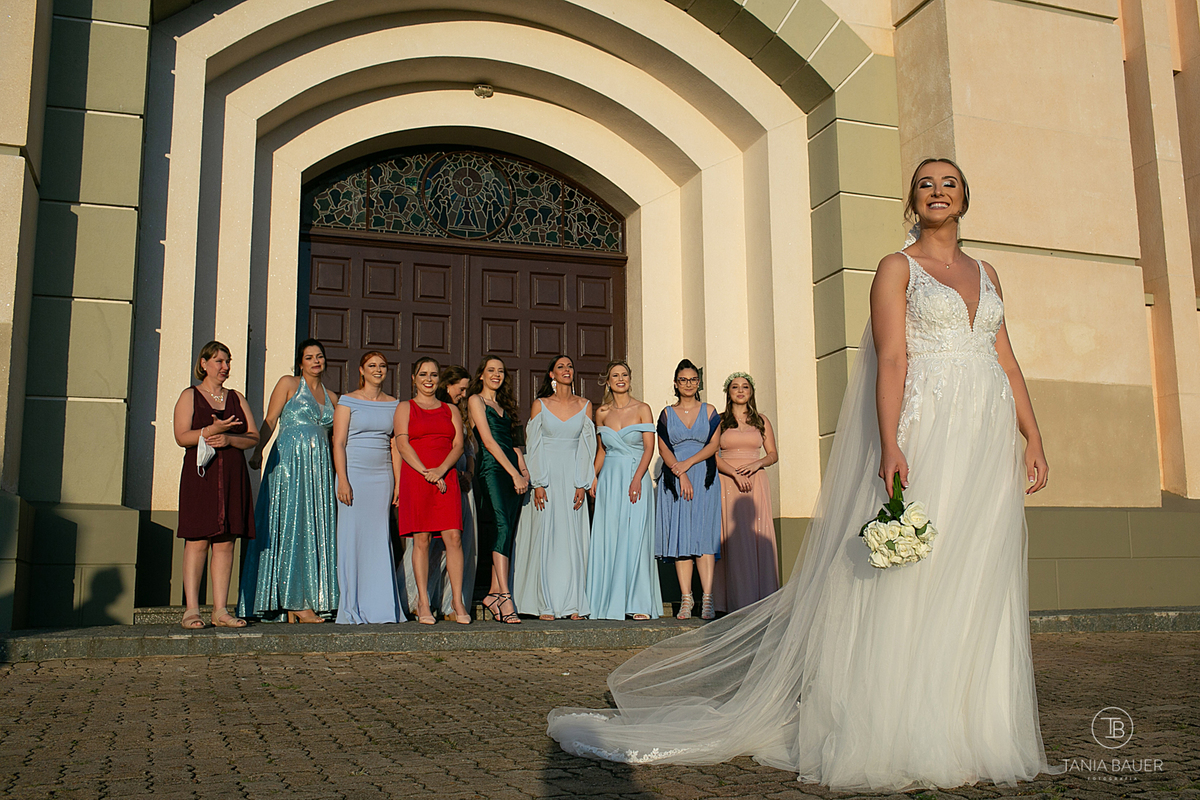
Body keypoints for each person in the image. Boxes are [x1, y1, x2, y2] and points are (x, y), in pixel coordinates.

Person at [547, 158, 1058, 792]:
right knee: (916, 571)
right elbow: (893, 357)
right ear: (912, 200)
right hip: (930, 430)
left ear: (965, 198)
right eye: (925, 183)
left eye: (949, 182)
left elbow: (1005, 361)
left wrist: (1031, 435)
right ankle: (902, 724)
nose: (937, 191)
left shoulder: (989, 273)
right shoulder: (898, 268)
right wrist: (893, 442)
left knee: (977, 569)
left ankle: (975, 724)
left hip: (985, 439)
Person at [238, 339, 339, 623]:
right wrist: (258, 451)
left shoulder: (333, 397)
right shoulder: (288, 384)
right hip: (288, 464)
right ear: (300, 362)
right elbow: (270, 419)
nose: (316, 361)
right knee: (288, 523)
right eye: (310, 357)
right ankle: (289, 599)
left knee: (312, 526)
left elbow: (342, 437)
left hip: (319, 469)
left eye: (320, 356)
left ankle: (310, 597)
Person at [173, 341, 259, 629]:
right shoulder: (190, 396)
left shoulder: (237, 398)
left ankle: (221, 609)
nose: (225, 367)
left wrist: (230, 439)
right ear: (204, 363)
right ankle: (192, 610)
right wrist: (212, 430)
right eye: (220, 361)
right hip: (202, 476)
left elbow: (253, 437)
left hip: (232, 474)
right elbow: (182, 436)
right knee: (197, 540)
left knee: (225, 542)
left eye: (228, 361)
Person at [511, 355, 597, 620]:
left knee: (571, 539)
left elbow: (587, 445)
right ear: (551, 374)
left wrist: (582, 482)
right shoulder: (540, 405)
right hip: (545, 479)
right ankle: (543, 602)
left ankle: (572, 603)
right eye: (561, 367)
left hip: (572, 476)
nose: (566, 370)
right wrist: (537, 482)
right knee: (545, 537)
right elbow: (533, 446)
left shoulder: (585, 405)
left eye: (569, 366)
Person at [394, 357, 469, 626]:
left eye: (434, 375)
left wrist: (441, 470)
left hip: (445, 475)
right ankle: (423, 602)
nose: (429, 379)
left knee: (453, 537)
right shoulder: (405, 407)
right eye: (423, 374)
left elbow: (458, 445)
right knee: (421, 539)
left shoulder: (451, 410)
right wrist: (427, 472)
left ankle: (457, 601)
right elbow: (402, 444)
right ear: (414, 378)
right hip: (417, 477)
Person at [586, 360, 661, 621]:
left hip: (635, 476)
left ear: (630, 379)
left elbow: (650, 448)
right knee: (610, 537)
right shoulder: (602, 412)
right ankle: (607, 601)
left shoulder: (643, 409)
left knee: (636, 536)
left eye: (625, 375)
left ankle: (638, 602)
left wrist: (638, 478)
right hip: (609, 480)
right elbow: (601, 451)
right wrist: (592, 478)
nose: (621, 379)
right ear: (607, 381)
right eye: (615, 375)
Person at [332, 351, 403, 624]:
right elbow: (338, 443)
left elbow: (395, 445)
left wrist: (397, 483)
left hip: (382, 476)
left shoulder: (394, 404)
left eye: (382, 366)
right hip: (353, 476)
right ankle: (352, 606)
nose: (378, 370)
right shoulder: (347, 402)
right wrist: (343, 479)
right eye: (372, 365)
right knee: (352, 539)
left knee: (378, 539)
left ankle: (381, 606)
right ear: (361, 370)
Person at [655, 359, 721, 620]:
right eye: (683, 379)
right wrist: (679, 472)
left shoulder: (709, 410)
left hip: (703, 476)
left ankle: (707, 598)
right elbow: (662, 447)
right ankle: (686, 599)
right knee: (682, 538)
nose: (689, 384)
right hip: (675, 478)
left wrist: (688, 465)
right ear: (675, 383)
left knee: (704, 536)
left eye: (693, 379)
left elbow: (713, 445)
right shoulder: (667, 414)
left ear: (699, 383)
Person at [466, 356, 529, 624]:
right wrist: (513, 473)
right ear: (481, 375)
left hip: (514, 473)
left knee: (508, 531)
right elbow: (489, 441)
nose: (496, 375)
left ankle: (493, 592)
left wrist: (523, 471)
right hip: (492, 470)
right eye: (491, 370)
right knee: (501, 526)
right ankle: (505, 595)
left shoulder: (505, 406)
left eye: (501, 371)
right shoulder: (476, 401)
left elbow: (515, 444)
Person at [710, 372, 779, 613]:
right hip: (728, 482)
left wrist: (756, 464)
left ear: (751, 392)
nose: (740, 391)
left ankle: (759, 599)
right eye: (735, 387)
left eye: (745, 387)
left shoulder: (761, 420)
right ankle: (728, 601)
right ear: (728, 393)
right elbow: (712, 455)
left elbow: (772, 454)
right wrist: (734, 473)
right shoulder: (718, 421)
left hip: (756, 482)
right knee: (732, 539)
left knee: (755, 537)